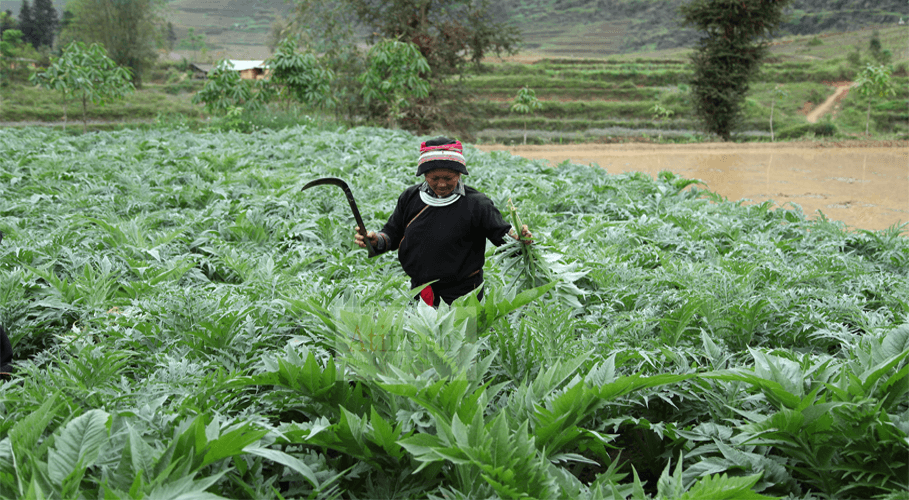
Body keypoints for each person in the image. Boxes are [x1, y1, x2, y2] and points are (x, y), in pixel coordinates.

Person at [355, 137, 532, 306]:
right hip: (421, 290)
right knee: (423, 337)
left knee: (465, 337)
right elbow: (392, 233)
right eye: (434, 178)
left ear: (459, 174)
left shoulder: (477, 204)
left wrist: (519, 239)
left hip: (465, 294)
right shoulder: (410, 198)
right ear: (424, 175)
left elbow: (502, 236)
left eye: (448, 178)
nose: (441, 184)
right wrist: (375, 240)